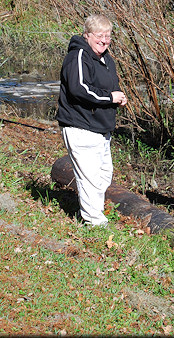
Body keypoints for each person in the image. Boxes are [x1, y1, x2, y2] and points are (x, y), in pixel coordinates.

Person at [55, 14, 128, 227]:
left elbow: (106, 88)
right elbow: (79, 88)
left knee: (104, 175)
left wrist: (117, 97)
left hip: (101, 128)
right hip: (80, 126)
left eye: (108, 36)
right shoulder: (78, 55)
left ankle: (93, 214)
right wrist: (110, 97)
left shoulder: (106, 59)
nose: (104, 40)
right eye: (99, 35)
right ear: (87, 35)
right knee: (89, 178)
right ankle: (94, 223)